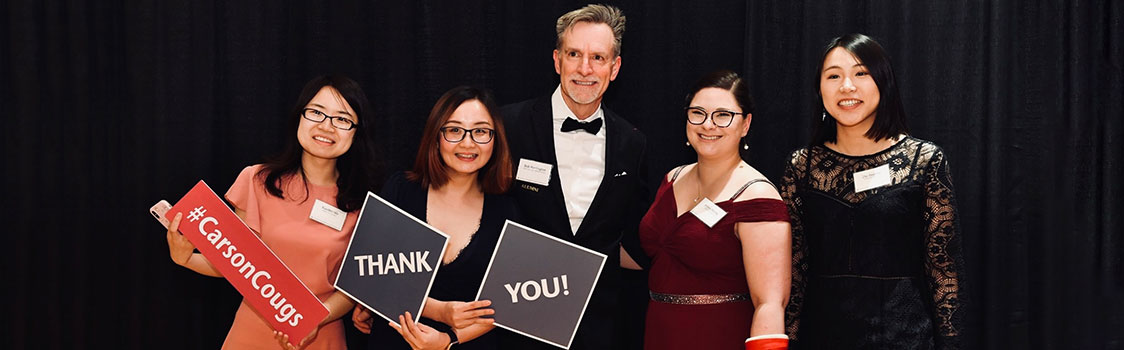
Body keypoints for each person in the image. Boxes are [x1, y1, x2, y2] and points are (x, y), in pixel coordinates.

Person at [164, 75, 381, 349]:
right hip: (251, 335)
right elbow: (235, 263)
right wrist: (183, 259)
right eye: (316, 113)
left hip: (320, 335)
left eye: (342, 119)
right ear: (299, 118)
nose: (327, 126)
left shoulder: (364, 205)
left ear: (356, 132)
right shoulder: (256, 180)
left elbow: (353, 289)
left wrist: (310, 321)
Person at [781, 33, 964, 349]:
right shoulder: (802, 165)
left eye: (861, 73)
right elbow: (794, 268)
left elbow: (942, 266)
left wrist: (950, 342)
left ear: (884, 82)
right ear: (819, 89)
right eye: (834, 76)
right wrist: (790, 338)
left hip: (905, 337)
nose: (847, 86)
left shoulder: (924, 160)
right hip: (822, 336)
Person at [500, 4, 649, 350]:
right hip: (518, 316)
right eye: (574, 54)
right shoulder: (509, 125)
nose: (585, 69)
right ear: (557, 60)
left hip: (600, 324)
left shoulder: (633, 142)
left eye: (598, 57)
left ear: (615, 68)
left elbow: (633, 229)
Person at [350, 86, 517, 350]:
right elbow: (368, 276)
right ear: (436, 137)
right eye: (454, 130)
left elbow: (509, 304)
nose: (468, 143)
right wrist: (440, 311)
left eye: (481, 131)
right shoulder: (401, 189)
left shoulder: (508, 210)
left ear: (496, 140)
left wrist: (446, 340)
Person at [638, 70, 791, 350]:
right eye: (698, 113)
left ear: (745, 124)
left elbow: (769, 303)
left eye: (723, 115)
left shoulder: (757, 195)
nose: (708, 125)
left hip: (718, 336)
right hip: (659, 334)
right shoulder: (673, 178)